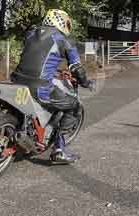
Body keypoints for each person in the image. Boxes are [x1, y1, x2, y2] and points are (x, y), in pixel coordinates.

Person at [11, 9, 93, 165]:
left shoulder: (31, 34)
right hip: (40, 87)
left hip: (16, 81)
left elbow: (37, 59)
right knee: (74, 106)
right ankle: (59, 150)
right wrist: (85, 82)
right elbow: (77, 68)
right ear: (61, 22)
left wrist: (54, 70)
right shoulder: (63, 40)